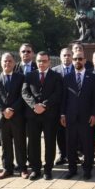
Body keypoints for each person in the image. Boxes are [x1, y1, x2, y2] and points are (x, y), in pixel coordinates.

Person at [22, 52, 63, 181]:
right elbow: (25, 92)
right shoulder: (29, 75)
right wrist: (34, 105)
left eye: (44, 61)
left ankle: (48, 169)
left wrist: (44, 105)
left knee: (50, 142)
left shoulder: (56, 76)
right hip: (33, 115)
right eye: (39, 61)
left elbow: (58, 93)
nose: (42, 63)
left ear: (49, 62)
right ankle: (35, 169)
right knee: (33, 143)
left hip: (50, 115)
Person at [60, 50, 95, 180]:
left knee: (87, 145)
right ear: (72, 61)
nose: (78, 61)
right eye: (75, 59)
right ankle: (72, 169)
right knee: (70, 145)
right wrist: (62, 114)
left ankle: (87, 170)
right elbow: (64, 98)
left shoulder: (92, 77)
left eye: (80, 59)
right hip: (70, 117)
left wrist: (94, 114)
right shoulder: (67, 78)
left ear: (85, 60)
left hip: (87, 117)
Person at [0, 53, 28, 180]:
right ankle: (7, 169)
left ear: (14, 63)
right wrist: (3, 110)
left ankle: (22, 168)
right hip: (2, 118)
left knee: (20, 144)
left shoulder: (21, 78)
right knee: (5, 145)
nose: (7, 63)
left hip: (17, 117)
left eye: (10, 61)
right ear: (1, 63)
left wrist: (12, 109)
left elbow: (23, 96)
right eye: (5, 61)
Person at [52, 47, 75, 167]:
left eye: (69, 55)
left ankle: (74, 155)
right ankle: (62, 154)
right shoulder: (54, 71)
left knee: (74, 132)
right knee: (60, 132)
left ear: (72, 56)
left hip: (74, 106)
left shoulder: (78, 69)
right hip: (58, 106)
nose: (67, 57)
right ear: (60, 57)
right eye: (64, 55)